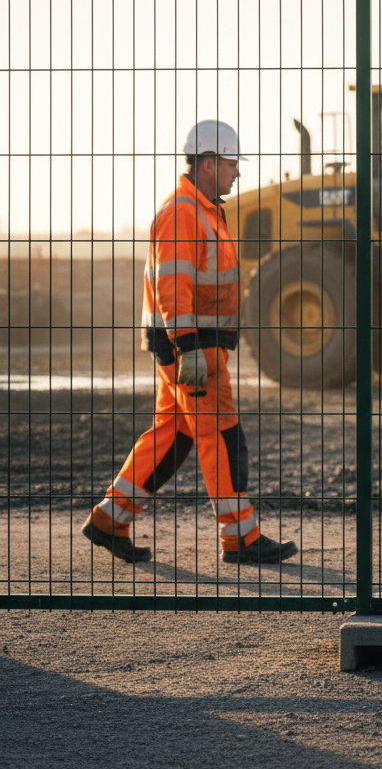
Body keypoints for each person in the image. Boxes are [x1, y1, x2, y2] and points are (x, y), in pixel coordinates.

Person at [82, 120, 298, 565]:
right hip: (192, 348)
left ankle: (108, 519)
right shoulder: (183, 211)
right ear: (207, 163)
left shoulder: (202, 208)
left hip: (192, 346)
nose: (238, 174)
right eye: (232, 164)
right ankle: (241, 538)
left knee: (175, 435)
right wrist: (189, 346)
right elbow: (172, 286)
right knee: (221, 435)